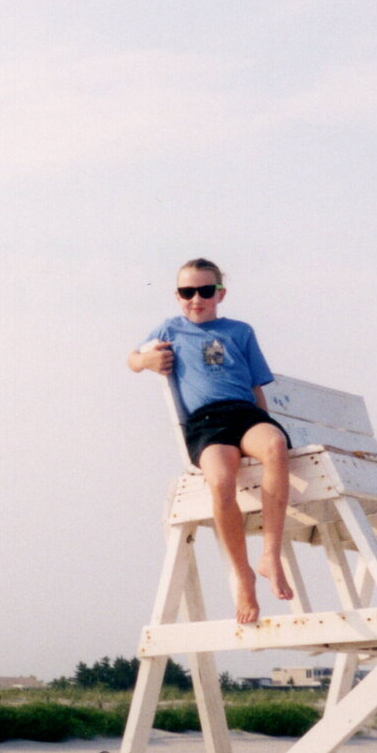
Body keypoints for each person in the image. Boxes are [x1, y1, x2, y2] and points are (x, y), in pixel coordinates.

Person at [128, 259, 293, 625]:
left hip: (244, 414)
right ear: (177, 296)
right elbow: (131, 359)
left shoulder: (240, 331)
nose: (196, 300)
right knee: (220, 481)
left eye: (205, 291)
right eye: (187, 292)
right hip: (206, 423)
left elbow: (255, 387)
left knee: (276, 446)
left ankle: (270, 555)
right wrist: (148, 360)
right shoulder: (171, 328)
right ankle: (243, 575)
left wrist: (266, 420)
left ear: (220, 293)